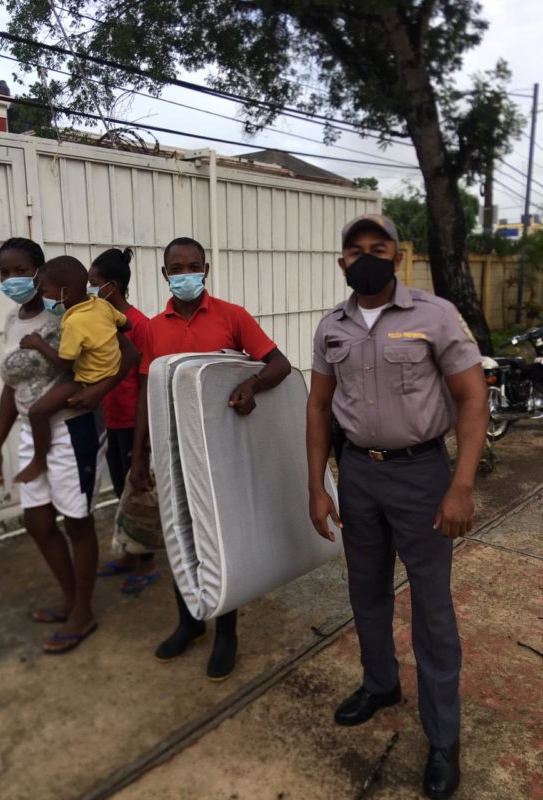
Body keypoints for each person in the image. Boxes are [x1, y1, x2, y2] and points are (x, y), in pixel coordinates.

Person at [306, 214, 488, 799]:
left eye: (377, 248)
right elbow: (317, 408)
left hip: (422, 476)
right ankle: (381, 683)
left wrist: (460, 484)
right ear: (341, 261)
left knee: (431, 609)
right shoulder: (331, 327)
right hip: (358, 473)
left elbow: (471, 398)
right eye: (354, 250)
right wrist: (317, 485)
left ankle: (442, 736)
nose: (366, 257)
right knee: (367, 591)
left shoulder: (434, 316)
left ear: (397, 254)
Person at [129, 236, 291, 681]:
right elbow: (147, 391)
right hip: (172, 448)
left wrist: (251, 386)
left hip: (220, 450)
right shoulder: (154, 329)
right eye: (176, 267)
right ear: (165, 274)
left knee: (220, 537)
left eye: (193, 265)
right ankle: (189, 623)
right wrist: (138, 455)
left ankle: (227, 632)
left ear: (206, 269)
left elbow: (278, 364)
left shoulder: (232, 316)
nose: (185, 273)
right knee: (181, 534)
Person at [0, 238, 138, 654]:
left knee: (76, 521)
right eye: (4, 272)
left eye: (19, 270)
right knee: (37, 523)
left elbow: (127, 353)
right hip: (29, 432)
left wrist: (97, 393)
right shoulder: (13, 320)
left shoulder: (72, 313)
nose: (11, 279)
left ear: (40, 271)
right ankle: (72, 599)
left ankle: (82, 611)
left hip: (73, 431)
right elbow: (11, 385)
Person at [14, 255, 131, 484]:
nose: (43, 296)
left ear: (64, 294)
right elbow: (127, 324)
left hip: (88, 380)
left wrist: (38, 344)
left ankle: (39, 460)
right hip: (111, 369)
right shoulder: (101, 305)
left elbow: (66, 363)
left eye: (45, 291)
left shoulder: (73, 323)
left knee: (38, 411)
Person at [87, 248, 158, 594]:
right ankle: (131, 554)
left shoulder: (140, 326)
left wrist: (142, 442)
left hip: (134, 422)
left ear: (111, 287)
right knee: (120, 489)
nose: (89, 289)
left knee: (138, 489)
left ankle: (146, 562)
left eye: (93, 284)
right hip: (110, 420)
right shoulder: (99, 322)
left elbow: (146, 383)